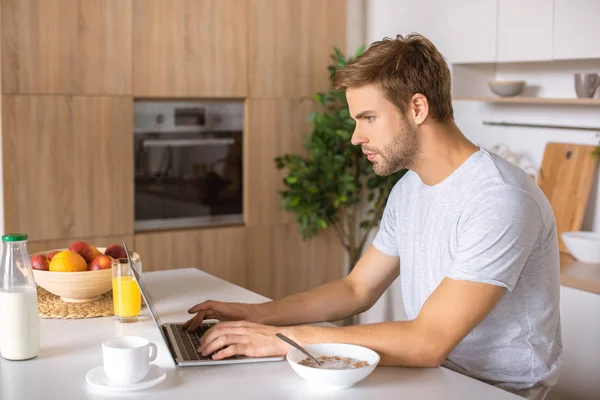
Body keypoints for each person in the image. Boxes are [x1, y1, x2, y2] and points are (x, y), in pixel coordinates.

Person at [184, 34, 562, 400]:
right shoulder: (410, 189)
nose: (355, 137)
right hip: (432, 376)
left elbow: (428, 341)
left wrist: (285, 340)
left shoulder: (499, 198)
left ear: (417, 108)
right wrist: (257, 315)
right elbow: (356, 290)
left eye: (367, 118)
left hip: (493, 390)